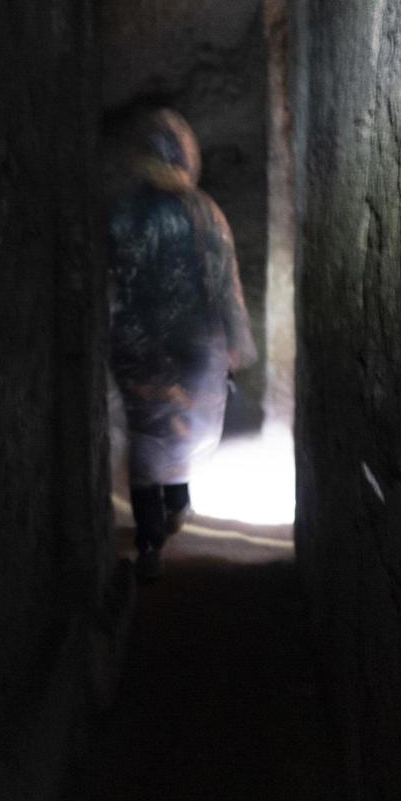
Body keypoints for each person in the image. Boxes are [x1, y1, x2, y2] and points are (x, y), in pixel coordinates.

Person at [105, 108, 256, 581]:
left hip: (141, 350)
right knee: (184, 430)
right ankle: (178, 505)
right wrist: (236, 345)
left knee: (148, 437)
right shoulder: (207, 212)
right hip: (197, 349)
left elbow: (110, 281)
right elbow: (225, 284)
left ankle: (150, 537)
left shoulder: (124, 211)